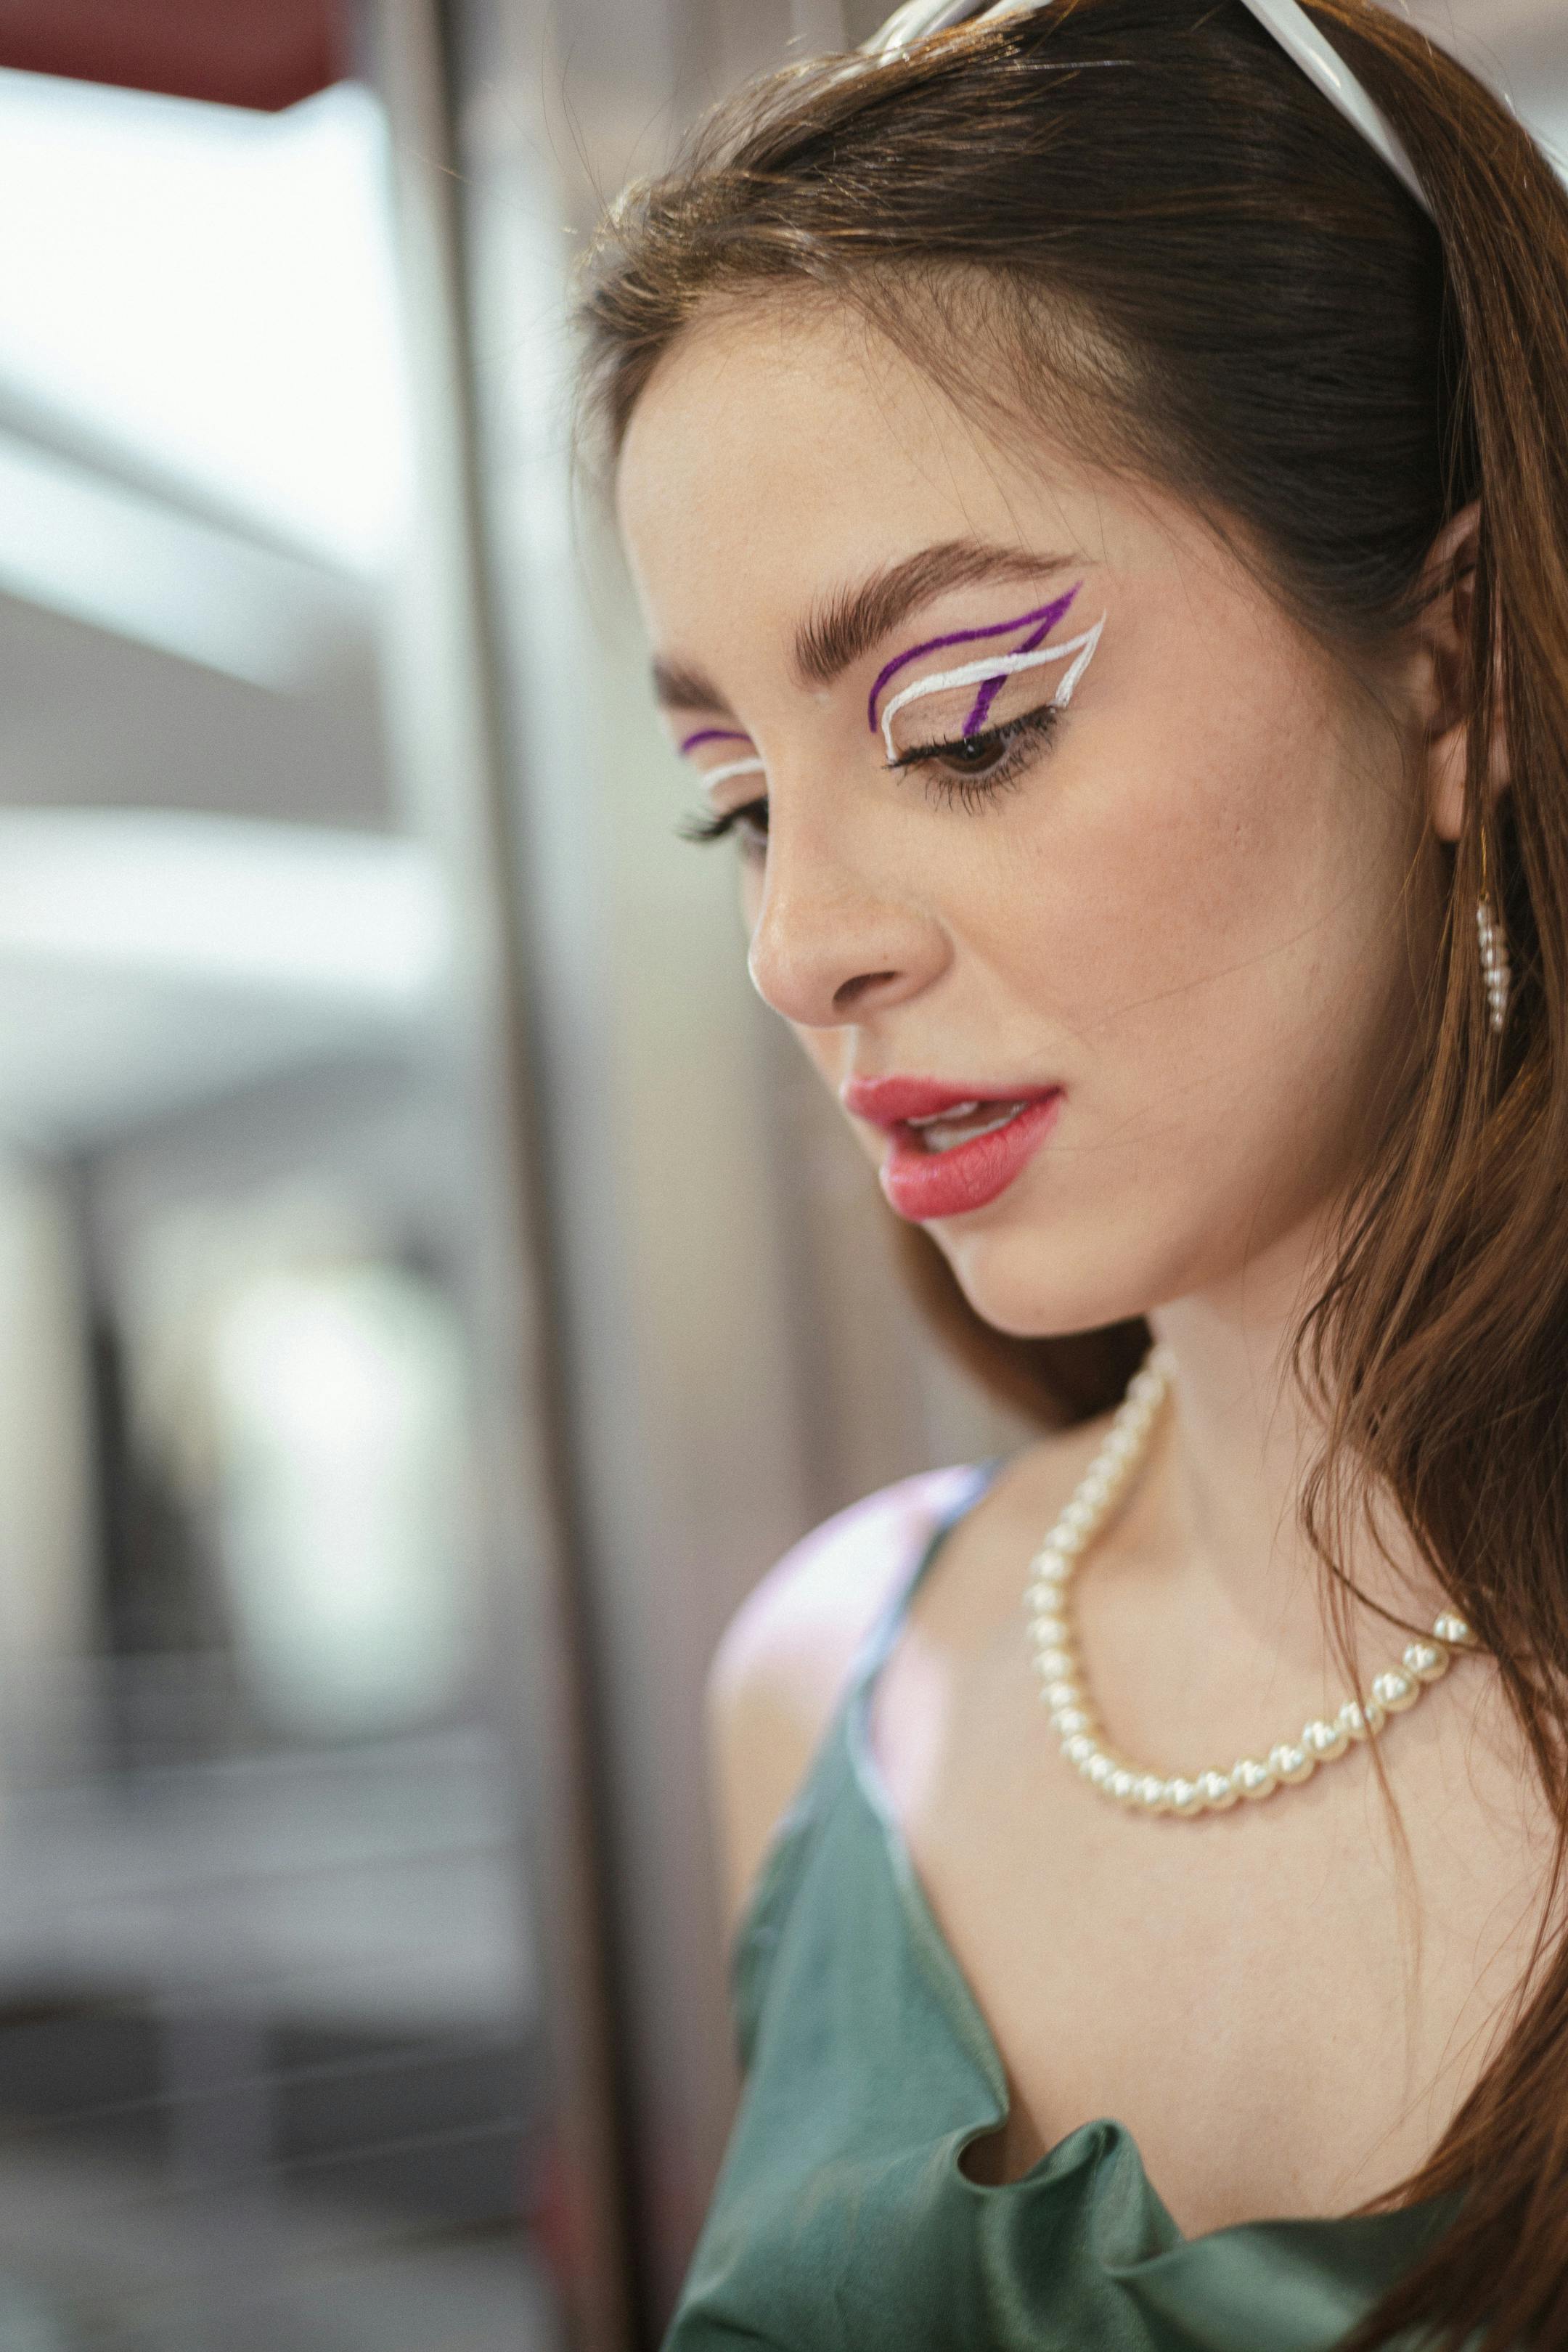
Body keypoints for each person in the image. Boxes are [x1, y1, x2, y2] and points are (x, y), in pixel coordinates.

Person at [575, 1, 1568, 2343]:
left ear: (1450, 675)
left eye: (967, 726)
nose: (801, 944)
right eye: (740, 804)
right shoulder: (823, 1688)